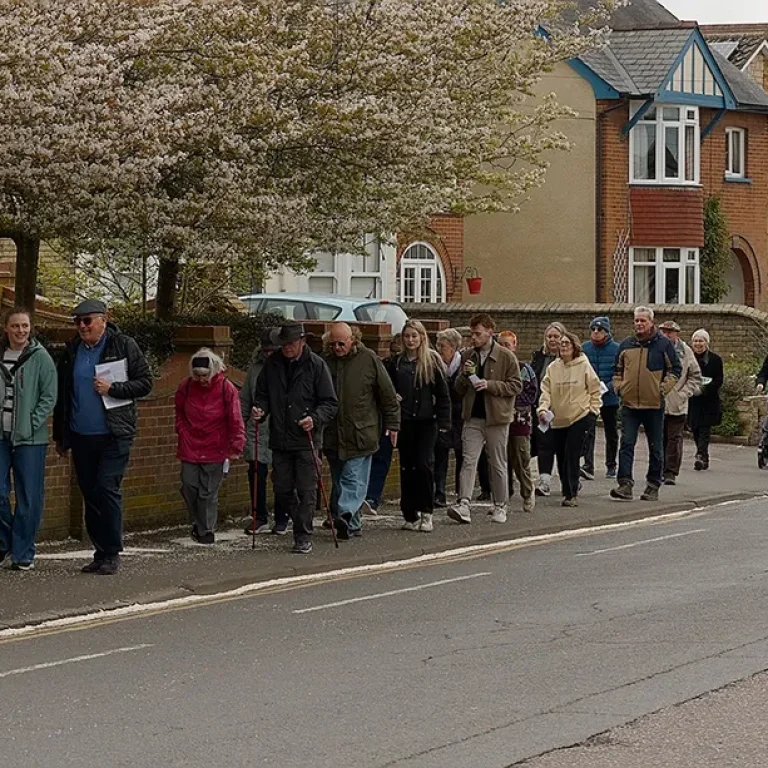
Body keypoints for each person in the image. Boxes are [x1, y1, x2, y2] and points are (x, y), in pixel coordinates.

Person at [53, 299, 152, 575]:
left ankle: (112, 552)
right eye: (78, 322)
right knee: (90, 493)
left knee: (107, 488)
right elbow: (64, 396)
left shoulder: (123, 345)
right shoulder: (72, 351)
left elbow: (145, 383)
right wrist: (61, 437)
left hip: (113, 433)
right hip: (81, 435)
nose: (82, 326)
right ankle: (100, 552)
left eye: (87, 321)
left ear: (104, 321)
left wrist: (113, 388)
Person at [253, 323, 338, 554]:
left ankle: (303, 535)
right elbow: (262, 394)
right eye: (283, 344)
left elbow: (330, 403)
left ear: (302, 342)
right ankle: (300, 522)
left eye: (290, 343)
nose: (286, 348)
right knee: (281, 488)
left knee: (307, 489)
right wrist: (260, 409)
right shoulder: (272, 364)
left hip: (306, 439)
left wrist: (314, 418)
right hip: (280, 439)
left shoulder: (316, 365)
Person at [323, 322, 399, 539]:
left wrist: (393, 424)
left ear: (352, 339)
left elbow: (388, 395)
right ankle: (352, 524)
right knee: (339, 479)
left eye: (341, 343)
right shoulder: (325, 361)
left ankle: (345, 514)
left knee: (353, 478)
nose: (337, 348)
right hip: (333, 433)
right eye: (333, 344)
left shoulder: (369, 360)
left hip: (362, 432)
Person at [448, 313, 522, 525]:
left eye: (478, 333)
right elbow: (458, 389)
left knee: (497, 462)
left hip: (497, 418)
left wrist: (490, 385)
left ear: (490, 332)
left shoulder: (506, 357)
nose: (474, 337)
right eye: (472, 333)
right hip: (473, 416)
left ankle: (500, 504)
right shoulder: (468, 355)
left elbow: (516, 386)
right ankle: (464, 503)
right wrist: (464, 376)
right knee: (468, 460)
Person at [0, 308, 57, 571]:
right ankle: (4, 543)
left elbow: (49, 396)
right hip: (1, 437)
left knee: (28, 497)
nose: (20, 331)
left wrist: (31, 424)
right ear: (6, 328)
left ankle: (23, 553)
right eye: (15, 326)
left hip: (30, 440)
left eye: (25, 326)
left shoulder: (40, 357)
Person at [610, 306, 681, 502]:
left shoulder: (663, 344)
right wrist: (619, 387)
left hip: (654, 405)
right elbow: (617, 370)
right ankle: (625, 484)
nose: (639, 324)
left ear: (651, 322)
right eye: (637, 320)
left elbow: (675, 369)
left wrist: (662, 389)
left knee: (655, 447)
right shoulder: (626, 345)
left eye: (643, 320)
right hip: (630, 404)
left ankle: (653, 485)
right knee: (626, 444)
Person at [175, 349, 245, 544]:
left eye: (204, 375)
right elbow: (179, 411)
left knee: (207, 491)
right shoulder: (186, 386)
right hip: (190, 444)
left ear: (213, 371)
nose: (201, 380)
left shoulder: (226, 388)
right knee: (189, 485)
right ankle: (198, 522)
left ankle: (206, 530)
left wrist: (236, 445)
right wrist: (181, 430)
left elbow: (235, 417)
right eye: (197, 375)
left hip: (216, 445)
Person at [392, 320, 451, 532]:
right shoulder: (396, 363)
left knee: (424, 464)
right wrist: (393, 398)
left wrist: (444, 423)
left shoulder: (431, 362)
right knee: (407, 467)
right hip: (405, 421)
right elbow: (386, 389)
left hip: (427, 421)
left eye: (414, 336)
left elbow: (443, 395)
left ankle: (427, 512)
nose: (410, 340)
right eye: (407, 336)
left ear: (422, 338)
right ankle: (409, 513)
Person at [537, 331, 601, 507]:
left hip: (579, 416)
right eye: (562, 343)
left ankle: (571, 494)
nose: (563, 346)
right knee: (561, 456)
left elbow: (595, 389)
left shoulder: (583, 364)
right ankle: (567, 488)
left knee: (572, 455)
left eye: (567, 343)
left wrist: (593, 411)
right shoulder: (553, 368)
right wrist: (543, 409)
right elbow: (546, 391)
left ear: (575, 346)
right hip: (558, 418)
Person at [240, 329, 290, 536]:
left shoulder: (288, 368)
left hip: (281, 428)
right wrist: (241, 424)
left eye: (273, 350)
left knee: (281, 475)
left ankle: (282, 517)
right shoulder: (255, 369)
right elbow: (245, 399)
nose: (269, 354)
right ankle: (259, 516)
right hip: (257, 429)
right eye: (266, 350)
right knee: (255, 472)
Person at [497, 331, 537, 513]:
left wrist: (510, 401)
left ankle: (527, 493)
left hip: (520, 421)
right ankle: (502, 499)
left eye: (507, 344)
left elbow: (531, 395)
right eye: (501, 345)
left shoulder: (524, 369)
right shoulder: (495, 368)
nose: (504, 348)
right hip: (499, 420)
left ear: (514, 346)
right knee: (500, 461)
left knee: (521, 459)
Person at [659, 320, 702, 485]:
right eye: (663, 332)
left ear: (676, 334)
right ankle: (659, 469)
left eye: (669, 332)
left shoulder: (685, 351)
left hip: (678, 403)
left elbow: (695, 376)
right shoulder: (656, 348)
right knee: (659, 438)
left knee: (674, 439)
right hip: (658, 401)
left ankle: (670, 472)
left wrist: (684, 393)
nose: (666, 335)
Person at [363, 333, 402, 514]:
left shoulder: (422, 365)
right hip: (384, 417)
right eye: (393, 350)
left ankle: (372, 497)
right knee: (378, 457)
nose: (395, 354)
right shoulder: (385, 365)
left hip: (406, 417)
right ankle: (370, 497)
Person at [580, 316, 620, 480]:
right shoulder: (584, 349)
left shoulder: (616, 349)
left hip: (609, 397)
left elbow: (620, 373)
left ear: (607, 332)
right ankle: (588, 464)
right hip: (589, 397)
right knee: (588, 430)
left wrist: (607, 387)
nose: (596, 332)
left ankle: (611, 465)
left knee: (611, 431)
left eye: (600, 329)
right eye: (593, 329)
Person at [531, 322, 567, 496]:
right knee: (544, 445)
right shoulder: (539, 358)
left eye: (556, 336)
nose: (552, 340)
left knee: (564, 447)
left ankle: (569, 479)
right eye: (549, 336)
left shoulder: (571, 359)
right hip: (544, 409)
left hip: (564, 409)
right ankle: (544, 481)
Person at [434, 328, 464, 508]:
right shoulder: (436, 366)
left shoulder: (464, 366)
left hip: (461, 416)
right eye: (438, 346)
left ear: (453, 348)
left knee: (462, 456)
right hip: (443, 416)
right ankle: (439, 494)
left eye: (442, 346)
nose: (439, 350)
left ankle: (462, 495)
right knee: (440, 456)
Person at [688, 329, 724, 472]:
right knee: (695, 429)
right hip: (693, 401)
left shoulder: (715, 359)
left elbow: (719, 380)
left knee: (704, 429)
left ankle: (700, 455)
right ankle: (704, 456)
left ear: (706, 343)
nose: (698, 344)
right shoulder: (689, 359)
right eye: (695, 341)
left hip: (709, 401)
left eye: (701, 341)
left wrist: (703, 389)